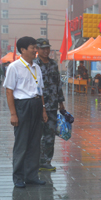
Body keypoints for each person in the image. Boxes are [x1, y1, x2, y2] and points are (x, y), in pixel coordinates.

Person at [3, 36, 49, 188]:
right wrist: (13, 114)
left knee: (35, 143)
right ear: (23, 50)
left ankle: (31, 176)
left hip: (36, 104)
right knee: (21, 143)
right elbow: (9, 91)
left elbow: (40, 91)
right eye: (33, 47)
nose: (36, 50)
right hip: (22, 106)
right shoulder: (14, 67)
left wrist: (43, 109)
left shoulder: (36, 67)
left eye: (36, 47)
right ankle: (18, 177)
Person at [34, 38, 65, 172]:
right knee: (37, 134)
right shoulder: (34, 64)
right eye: (43, 48)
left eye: (47, 48)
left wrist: (61, 102)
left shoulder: (53, 63)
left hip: (52, 105)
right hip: (38, 105)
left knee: (50, 135)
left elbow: (58, 84)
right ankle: (35, 161)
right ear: (37, 49)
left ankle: (46, 161)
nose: (46, 51)